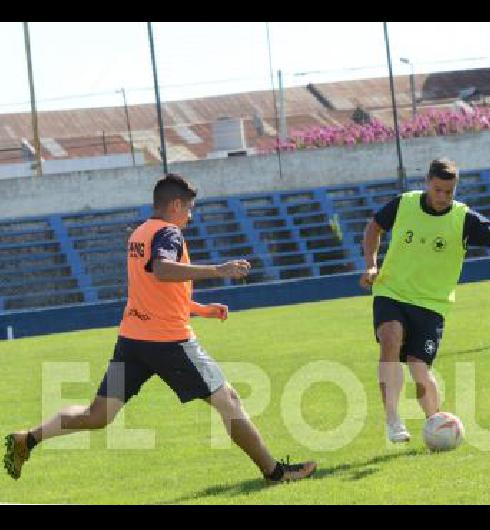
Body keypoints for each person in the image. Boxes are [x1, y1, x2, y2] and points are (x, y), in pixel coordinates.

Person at [4, 173, 316, 485]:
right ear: (175, 204)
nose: (190, 216)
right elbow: (163, 269)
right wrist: (218, 270)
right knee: (229, 400)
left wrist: (201, 310)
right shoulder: (169, 233)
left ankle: (27, 439)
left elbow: (152, 289)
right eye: (189, 209)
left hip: (133, 339)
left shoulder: (140, 233)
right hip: (169, 342)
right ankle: (276, 474)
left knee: (97, 415)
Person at [360, 158, 490, 442]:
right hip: (391, 291)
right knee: (390, 338)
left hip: (432, 303)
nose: (443, 197)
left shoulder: (464, 218)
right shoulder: (404, 203)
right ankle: (393, 420)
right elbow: (374, 227)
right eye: (438, 190)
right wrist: (371, 265)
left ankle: (438, 424)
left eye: (449, 191)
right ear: (427, 184)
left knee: (419, 366)